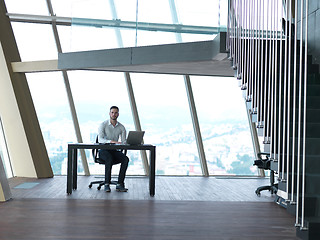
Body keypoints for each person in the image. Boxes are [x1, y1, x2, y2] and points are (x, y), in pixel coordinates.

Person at [98, 106, 129, 192]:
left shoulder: (121, 127)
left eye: (115, 113)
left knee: (125, 159)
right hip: (103, 150)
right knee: (109, 158)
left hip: (114, 151)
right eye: (112, 112)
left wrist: (130, 142)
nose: (114, 114)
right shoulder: (103, 125)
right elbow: (100, 139)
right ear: (109, 113)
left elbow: (123, 141)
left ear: (118, 114)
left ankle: (120, 184)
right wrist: (111, 141)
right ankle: (106, 184)